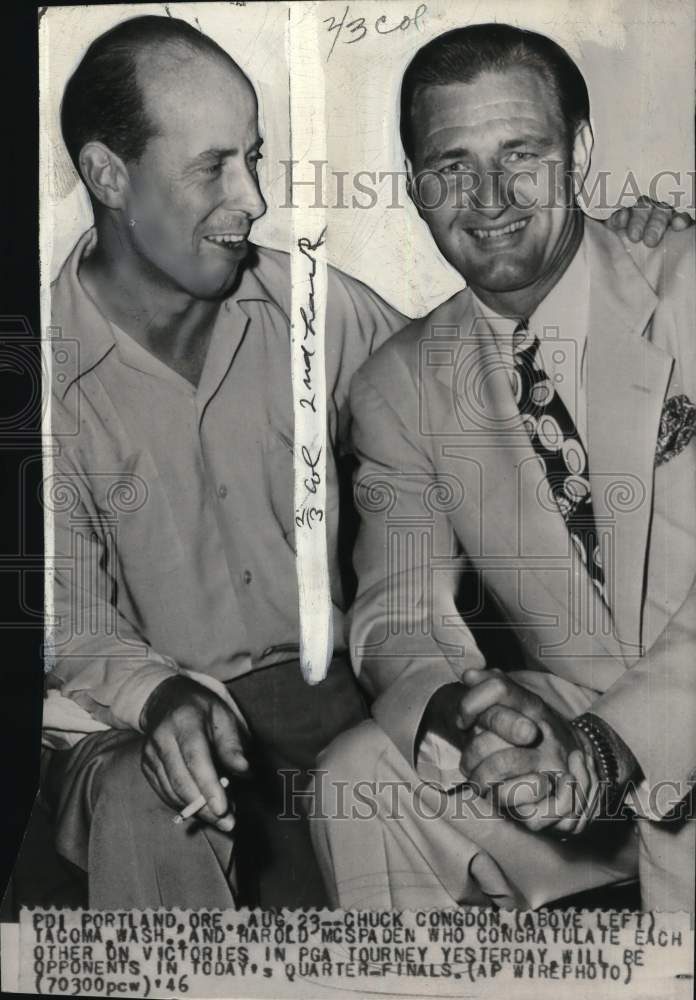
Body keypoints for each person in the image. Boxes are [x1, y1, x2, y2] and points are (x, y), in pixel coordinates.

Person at [39, 14, 681, 911]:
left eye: (253, 158)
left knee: (362, 759)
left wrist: (639, 252)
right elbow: (68, 621)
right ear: (110, 176)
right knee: (236, 785)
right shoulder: (36, 376)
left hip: (362, 695)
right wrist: (455, 707)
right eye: (213, 166)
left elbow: (505, 327)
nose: (253, 198)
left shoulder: (319, 311)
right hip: (144, 709)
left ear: (577, 150)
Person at [311, 23, 696, 913]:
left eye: (521, 154)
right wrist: (470, 712)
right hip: (566, 740)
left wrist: (611, 745)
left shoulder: (686, 282)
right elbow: (396, 610)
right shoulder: (400, 383)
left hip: (657, 719)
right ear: (416, 185)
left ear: (579, 153)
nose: (488, 197)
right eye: (451, 165)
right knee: (360, 777)